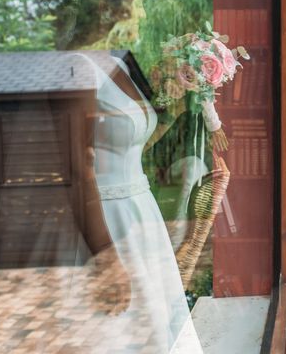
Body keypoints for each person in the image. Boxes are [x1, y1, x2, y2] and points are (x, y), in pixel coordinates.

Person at [71, 51, 204, 353]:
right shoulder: (80, 68)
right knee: (118, 332)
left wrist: (179, 97)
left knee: (158, 325)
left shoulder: (118, 63)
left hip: (141, 216)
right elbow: (78, 169)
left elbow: (135, 140)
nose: (139, 9)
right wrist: (105, 257)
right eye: (132, 3)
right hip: (108, 219)